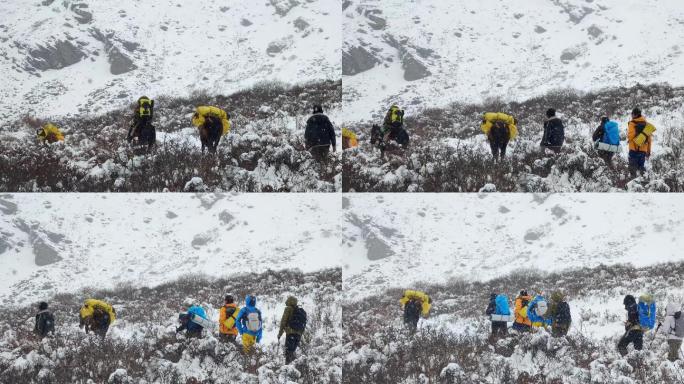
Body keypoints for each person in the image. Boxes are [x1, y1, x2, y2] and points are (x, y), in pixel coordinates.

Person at [627, 107, 656, 178]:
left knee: (632, 169)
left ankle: (633, 186)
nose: (631, 115)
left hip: (633, 149)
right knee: (641, 169)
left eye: (632, 114)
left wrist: (628, 136)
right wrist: (648, 152)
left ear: (634, 115)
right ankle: (644, 184)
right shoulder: (646, 124)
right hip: (643, 151)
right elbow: (649, 140)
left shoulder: (632, 123)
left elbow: (630, 136)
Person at [278, 296, 307, 364]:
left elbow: (283, 322)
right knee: (292, 352)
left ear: (289, 301)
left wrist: (280, 334)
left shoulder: (288, 309)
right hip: (298, 334)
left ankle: (287, 369)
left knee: (288, 352)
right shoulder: (300, 311)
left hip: (290, 333)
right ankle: (293, 368)